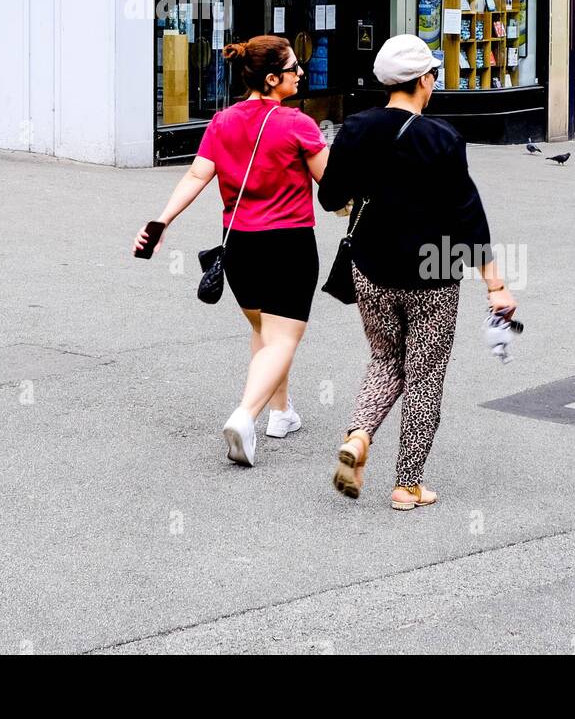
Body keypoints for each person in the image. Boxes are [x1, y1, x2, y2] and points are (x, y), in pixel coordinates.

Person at [317, 34, 516, 510]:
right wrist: (496, 284)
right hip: (435, 269)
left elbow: (329, 197)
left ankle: (360, 436)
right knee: (424, 375)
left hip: (372, 265)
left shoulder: (356, 128)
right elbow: (469, 215)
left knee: (385, 359)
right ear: (424, 81)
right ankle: (407, 485)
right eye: (432, 75)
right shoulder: (443, 138)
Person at [134, 35, 329, 468]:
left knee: (264, 330)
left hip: (238, 245)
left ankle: (282, 412)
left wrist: (162, 221)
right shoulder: (298, 123)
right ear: (273, 78)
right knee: (283, 339)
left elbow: (195, 177)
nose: (301, 73)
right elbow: (331, 185)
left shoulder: (221, 122)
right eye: (294, 68)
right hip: (289, 244)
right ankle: (245, 417)